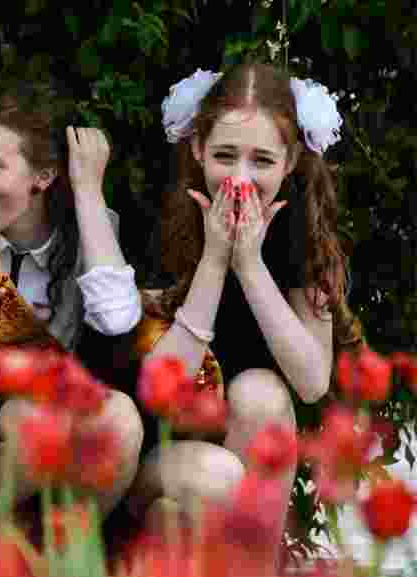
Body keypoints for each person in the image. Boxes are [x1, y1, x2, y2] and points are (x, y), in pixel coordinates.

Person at [124, 63, 361, 531]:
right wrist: (215, 259)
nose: (240, 178)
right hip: (162, 451)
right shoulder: (165, 219)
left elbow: (312, 382)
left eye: (262, 161)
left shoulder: (300, 231)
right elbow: (159, 390)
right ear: (198, 148)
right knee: (218, 478)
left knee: (261, 392)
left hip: (245, 446)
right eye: (225, 156)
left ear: (291, 160)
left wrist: (248, 264)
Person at [0, 82, 144, 517]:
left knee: (118, 416)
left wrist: (87, 189)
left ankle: (64, 567)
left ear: (42, 178)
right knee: (39, 428)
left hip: (42, 414)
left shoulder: (92, 230)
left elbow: (118, 319)